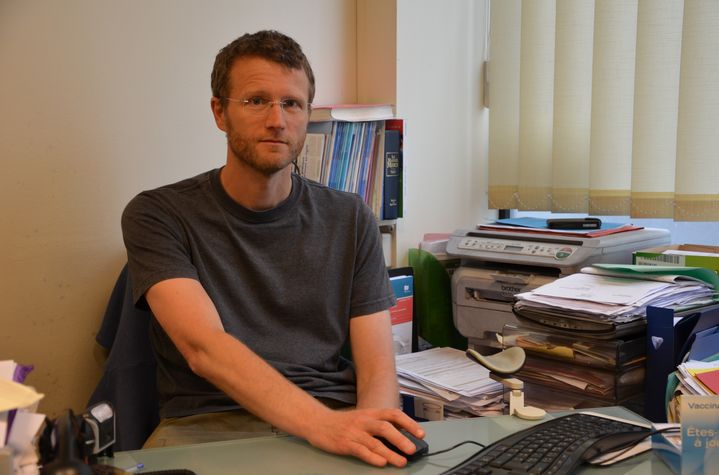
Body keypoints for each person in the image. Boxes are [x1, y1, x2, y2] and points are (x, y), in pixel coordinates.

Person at [121, 30, 424, 467]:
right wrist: (324, 426)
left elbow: (377, 367)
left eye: (292, 103)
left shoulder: (350, 216)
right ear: (219, 112)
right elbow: (204, 349)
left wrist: (376, 431)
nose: (277, 120)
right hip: (209, 426)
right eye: (256, 101)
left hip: (336, 421)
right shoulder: (158, 214)